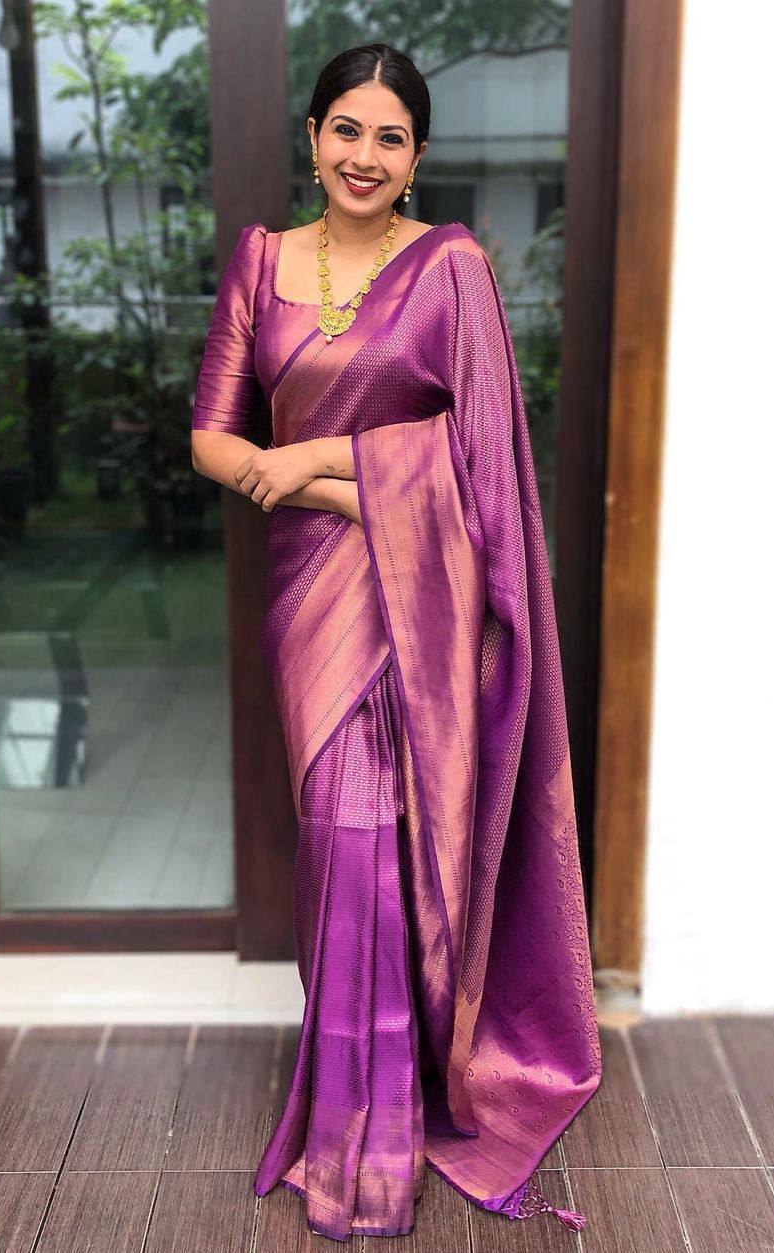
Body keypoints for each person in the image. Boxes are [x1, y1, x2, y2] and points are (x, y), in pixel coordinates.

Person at [190, 41, 601, 1244]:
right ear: (312, 136)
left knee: (397, 849)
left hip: (424, 597)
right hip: (310, 604)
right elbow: (214, 436)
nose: (364, 156)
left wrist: (317, 462)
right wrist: (316, 484)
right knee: (340, 845)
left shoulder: (450, 268)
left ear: (417, 157)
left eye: (391, 137)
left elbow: (482, 466)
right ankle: (356, 1098)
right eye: (347, 129)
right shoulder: (262, 261)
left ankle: (372, 1134)